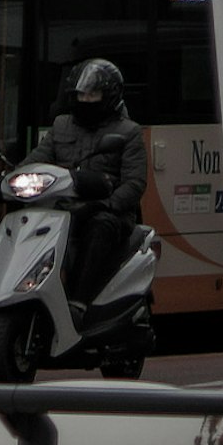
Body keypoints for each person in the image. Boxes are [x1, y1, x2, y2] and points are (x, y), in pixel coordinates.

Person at [44, 54, 147, 308]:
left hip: (109, 213)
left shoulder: (128, 132)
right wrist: (11, 177)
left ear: (109, 96)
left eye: (92, 95)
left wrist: (105, 204)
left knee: (99, 226)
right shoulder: (60, 126)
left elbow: (134, 183)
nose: (85, 100)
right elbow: (38, 159)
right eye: (81, 95)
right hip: (66, 208)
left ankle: (78, 301)